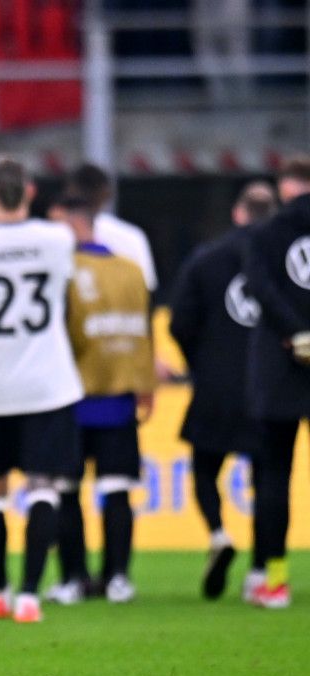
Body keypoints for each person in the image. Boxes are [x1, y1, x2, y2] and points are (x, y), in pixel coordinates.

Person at [0, 157, 83, 624]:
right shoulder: (58, 238)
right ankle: (30, 594)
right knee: (43, 486)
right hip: (48, 385)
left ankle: (2, 589)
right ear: (29, 192)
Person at [169, 181, 276, 600]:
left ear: (238, 213)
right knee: (268, 479)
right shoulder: (282, 263)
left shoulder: (207, 260)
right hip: (267, 389)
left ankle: (218, 533)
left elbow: (179, 323)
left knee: (203, 468)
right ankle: (261, 569)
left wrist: (202, 363)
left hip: (215, 387)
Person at [49, 194, 155, 605]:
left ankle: (74, 579)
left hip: (72, 398)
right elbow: (144, 332)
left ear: (74, 225)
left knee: (67, 491)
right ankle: (118, 579)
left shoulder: (65, 270)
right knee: (118, 490)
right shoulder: (131, 271)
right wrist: (145, 384)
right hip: (121, 397)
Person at [242, 157, 310, 609]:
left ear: (284, 187)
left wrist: (297, 332)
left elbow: (259, 288)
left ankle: (276, 580)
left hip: (282, 369)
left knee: (274, 477)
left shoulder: (264, 234)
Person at [67, 163, 157, 292]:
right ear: (106, 194)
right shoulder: (132, 236)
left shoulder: (61, 235)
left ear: (69, 192)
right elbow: (147, 287)